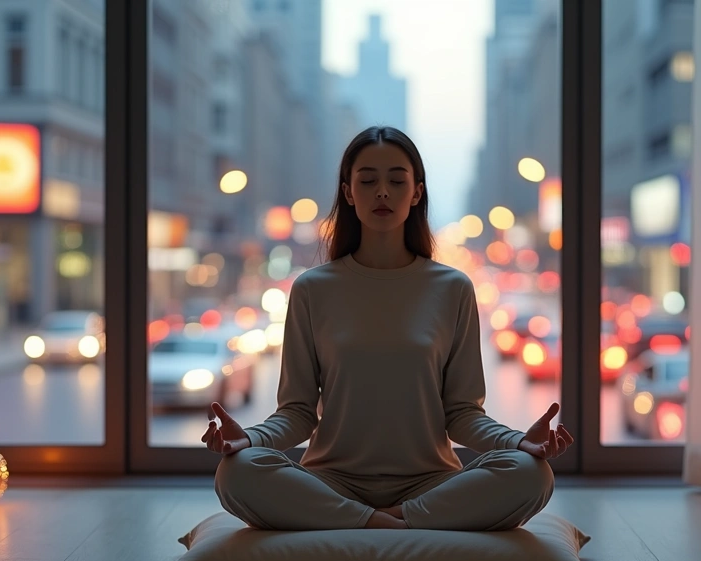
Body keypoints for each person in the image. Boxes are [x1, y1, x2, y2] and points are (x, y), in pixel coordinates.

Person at [206, 126, 574, 531]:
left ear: (416, 192)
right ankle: (393, 525)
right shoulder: (312, 289)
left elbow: (463, 414)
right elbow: (297, 413)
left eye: (397, 181)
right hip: (331, 480)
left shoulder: (453, 288)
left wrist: (521, 442)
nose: (382, 191)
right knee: (235, 473)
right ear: (348, 192)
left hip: (431, 482)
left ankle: (374, 523)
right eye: (368, 181)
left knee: (532, 474)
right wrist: (250, 440)